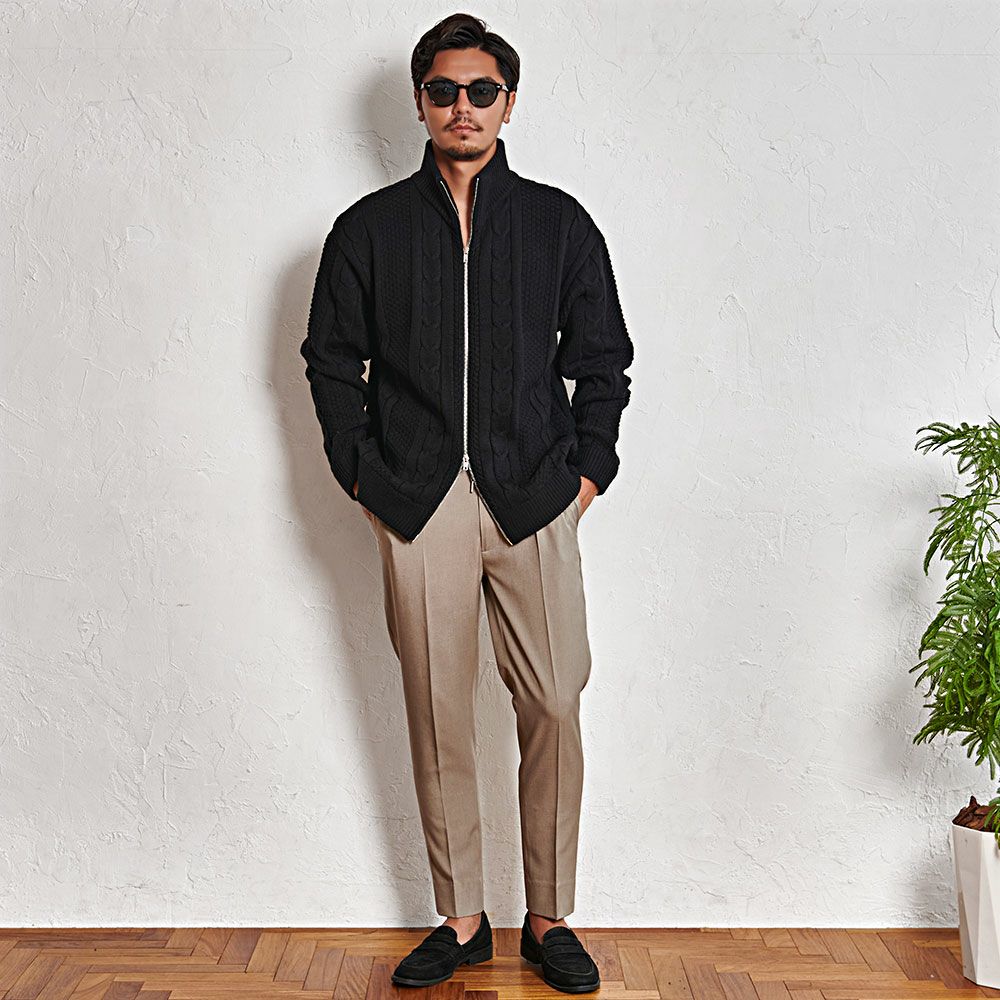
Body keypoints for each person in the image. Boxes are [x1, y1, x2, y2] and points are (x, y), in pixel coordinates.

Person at [300, 12, 634, 994]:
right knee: (438, 710)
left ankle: (549, 917)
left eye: (480, 91)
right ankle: (460, 919)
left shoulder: (558, 224)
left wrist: (586, 476)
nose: (462, 107)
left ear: (508, 104)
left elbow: (602, 361)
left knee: (555, 699)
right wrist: (363, 476)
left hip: (534, 495)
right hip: (417, 502)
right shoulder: (368, 230)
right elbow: (330, 363)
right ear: (420, 103)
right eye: (443, 90)